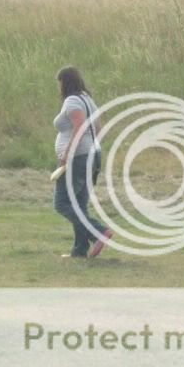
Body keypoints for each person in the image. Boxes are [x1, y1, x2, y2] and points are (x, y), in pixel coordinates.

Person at [53, 66, 112, 258]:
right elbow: (99, 128)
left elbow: (79, 128)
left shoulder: (72, 101)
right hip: (92, 156)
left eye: (59, 83)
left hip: (77, 158)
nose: (58, 87)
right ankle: (79, 251)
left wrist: (66, 155)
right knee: (79, 204)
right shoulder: (87, 99)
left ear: (65, 82)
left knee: (61, 203)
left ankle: (98, 231)